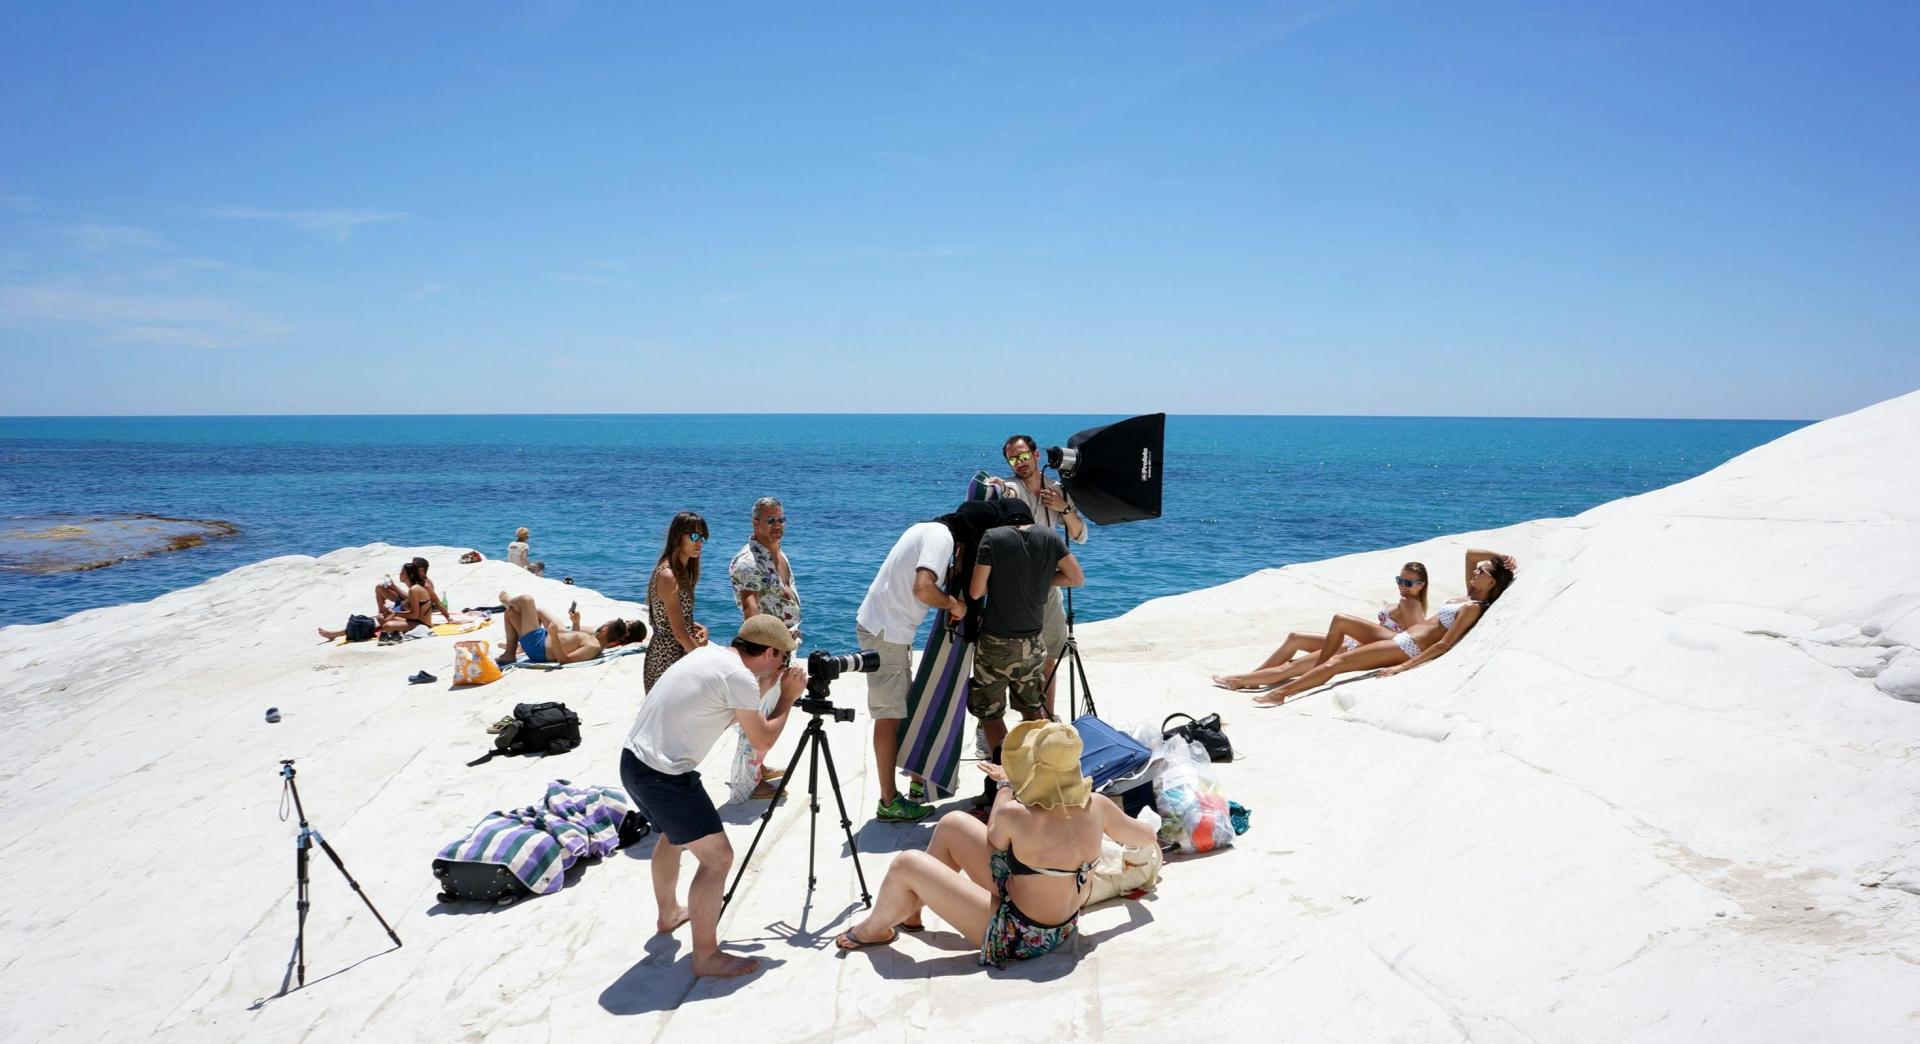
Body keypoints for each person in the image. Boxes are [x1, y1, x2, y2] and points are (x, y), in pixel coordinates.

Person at [834, 720, 1159, 966]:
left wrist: (1005, 783)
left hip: (1017, 934)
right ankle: (912, 914)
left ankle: (875, 928)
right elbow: (1146, 836)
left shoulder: (1018, 816)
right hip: (1062, 925)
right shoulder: (1098, 805)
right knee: (952, 825)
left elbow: (996, 836)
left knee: (907, 862)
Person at [620, 616, 806, 978]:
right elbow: (763, 741)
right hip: (664, 776)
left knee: (674, 839)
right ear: (768, 651)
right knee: (718, 859)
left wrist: (772, 680)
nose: (785, 664)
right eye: (783, 658)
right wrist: (787, 697)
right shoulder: (738, 679)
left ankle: (669, 913)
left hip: (635, 761)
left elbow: (740, 700)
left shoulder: (711, 657)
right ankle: (706, 956)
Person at [854, 501, 1005, 822]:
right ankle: (888, 800)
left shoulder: (927, 528)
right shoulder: (942, 539)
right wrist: (953, 603)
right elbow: (923, 588)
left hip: (887, 627)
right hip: (886, 632)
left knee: (900, 710)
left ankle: (914, 782)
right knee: (890, 716)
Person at [1258, 550, 1517, 704]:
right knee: (1338, 643)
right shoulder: (1469, 595)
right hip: (1402, 640)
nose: (1474, 571)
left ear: (1492, 582)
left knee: (1337, 663)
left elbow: (1444, 644)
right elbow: (1471, 553)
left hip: (1408, 648)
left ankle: (1282, 693)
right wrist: (1503, 558)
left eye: (1481, 572)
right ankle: (1292, 684)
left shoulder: (1473, 607)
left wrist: (1402, 666)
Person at [982, 435, 1088, 718]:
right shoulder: (1010, 490)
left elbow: (1080, 535)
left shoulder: (1056, 490)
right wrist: (995, 486)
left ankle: (1046, 718)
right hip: (1012, 591)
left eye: (1023, 456)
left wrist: (1062, 508)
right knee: (1002, 662)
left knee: (1048, 658)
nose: (1020, 463)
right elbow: (997, 490)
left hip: (1046, 590)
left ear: (1036, 454)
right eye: (1013, 459)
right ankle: (988, 726)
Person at [969, 502, 1083, 754]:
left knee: (990, 713)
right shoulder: (1049, 536)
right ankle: (1039, 767)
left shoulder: (993, 537)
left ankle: (1003, 777)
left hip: (996, 643)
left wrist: (998, 582)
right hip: (1033, 642)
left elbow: (976, 591)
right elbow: (1076, 578)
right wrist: (1041, 581)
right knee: (1032, 708)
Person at [1212, 562, 1429, 691]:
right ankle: (1253, 677)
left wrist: (1402, 665)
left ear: (1421, 586)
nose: (1402, 586)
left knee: (1290, 668)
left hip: (1356, 649)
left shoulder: (1410, 604)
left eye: (1408, 583)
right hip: (1354, 642)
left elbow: (1412, 639)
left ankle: (1237, 680)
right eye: (1400, 580)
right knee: (1295, 638)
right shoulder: (1409, 601)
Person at [727, 497, 801, 800]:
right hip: (766, 653)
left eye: (781, 519)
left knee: (765, 708)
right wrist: (764, 653)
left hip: (780, 648)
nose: (778, 526)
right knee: (755, 717)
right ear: (755, 523)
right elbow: (750, 608)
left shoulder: (775, 554)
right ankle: (749, 783)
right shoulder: (750, 562)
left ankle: (757, 768)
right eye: (771, 521)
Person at [645, 511, 711, 692]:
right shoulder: (668, 575)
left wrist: (697, 627)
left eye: (702, 537)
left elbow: (675, 619)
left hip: (678, 654)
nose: (699, 542)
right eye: (694, 536)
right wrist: (705, 662)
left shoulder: (681, 572)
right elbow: (679, 633)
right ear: (678, 536)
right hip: (666, 659)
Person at [494, 591, 647, 666]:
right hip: (542, 638)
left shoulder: (593, 646)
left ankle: (508, 601)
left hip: (538, 647)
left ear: (606, 629)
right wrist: (575, 623)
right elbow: (573, 640)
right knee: (511, 613)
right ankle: (509, 654)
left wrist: (554, 637)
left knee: (527, 600)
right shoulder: (594, 640)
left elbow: (565, 661)